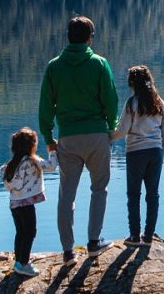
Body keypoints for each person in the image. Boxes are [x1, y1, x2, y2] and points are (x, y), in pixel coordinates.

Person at [39, 16, 119, 265]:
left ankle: (68, 251)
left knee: (66, 196)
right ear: (88, 37)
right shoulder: (99, 63)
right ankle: (94, 242)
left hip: (68, 138)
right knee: (99, 188)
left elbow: (45, 107)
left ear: (68, 36)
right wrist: (111, 127)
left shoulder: (54, 66)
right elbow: (111, 100)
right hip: (96, 136)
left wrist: (48, 137)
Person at [111, 65, 164, 246]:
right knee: (153, 195)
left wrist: (107, 136)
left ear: (132, 83)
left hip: (136, 153)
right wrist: (161, 154)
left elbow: (122, 131)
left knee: (133, 195)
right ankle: (148, 236)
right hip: (155, 153)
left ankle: (135, 236)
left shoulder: (132, 103)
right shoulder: (159, 102)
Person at [0, 127, 59, 277]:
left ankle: (18, 260)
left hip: (14, 204)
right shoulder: (32, 161)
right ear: (31, 146)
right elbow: (51, 166)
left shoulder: (12, 164)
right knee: (30, 232)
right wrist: (53, 151)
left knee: (20, 232)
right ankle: (24, 263)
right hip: (26, 204)